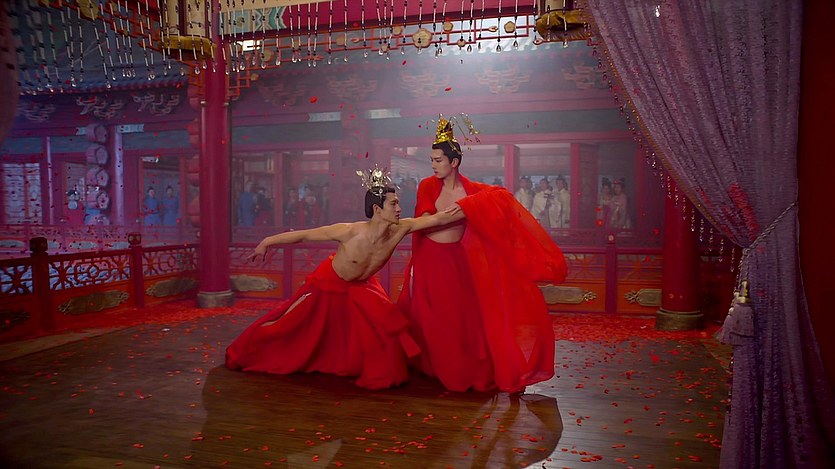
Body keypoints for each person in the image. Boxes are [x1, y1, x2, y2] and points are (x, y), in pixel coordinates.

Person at [226, 167, 467, 390]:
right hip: (328, 285)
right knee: (286, 326)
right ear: (377, 209)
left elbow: (437, 219)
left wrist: (472, 205)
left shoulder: (400, 229)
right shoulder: (349, 231)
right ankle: (247, 351)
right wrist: (266, 242)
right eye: (393, 204)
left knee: (385, 334)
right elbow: (304, 236)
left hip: (361, 288)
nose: (399, 209)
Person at [398, 116, 567, 393]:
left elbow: (502, 197)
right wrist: (408, 226)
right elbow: (428, 218)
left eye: (438, 160)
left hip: (457, 259)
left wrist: (469, 205)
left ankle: (460, 368)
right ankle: (436, 368)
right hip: (431, 259)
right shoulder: (428, 185)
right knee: (435, 318)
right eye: (432, 160)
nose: (433, 165)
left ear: (454, 162)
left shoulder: (471, 191)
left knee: (461, 319)